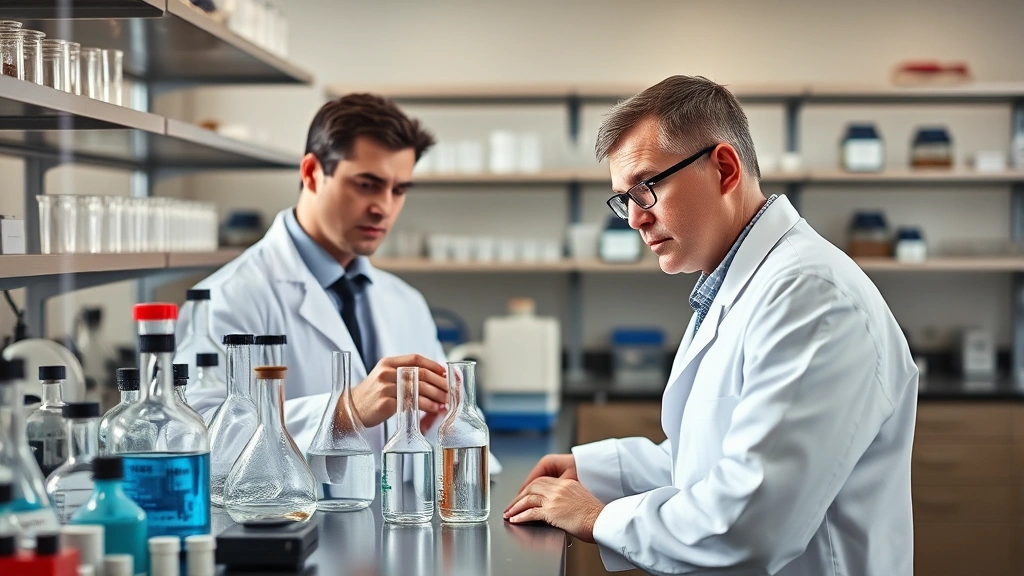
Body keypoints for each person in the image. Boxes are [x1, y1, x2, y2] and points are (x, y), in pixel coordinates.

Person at [505, 76, 917, 575]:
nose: (634, 218)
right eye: (623, 198)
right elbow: (714, 458)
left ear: (724, 169)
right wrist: (596, 472)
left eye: (646, 187)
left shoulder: (811, 296)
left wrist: (598, 517)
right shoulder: (737, 283)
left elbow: (751, 523)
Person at [176, 94, 457, 462]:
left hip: (396, 515)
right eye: (366, 184)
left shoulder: (406, 302)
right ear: (311, 173)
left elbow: (448, 428)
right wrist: (346, 411)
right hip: (288, 519)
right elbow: (196, 441)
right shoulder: (226, 300)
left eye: (398, 190)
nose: (384, 207)